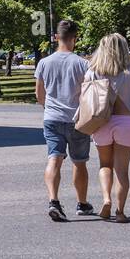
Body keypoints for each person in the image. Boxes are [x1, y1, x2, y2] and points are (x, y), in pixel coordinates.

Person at [85, 33, 130, 223]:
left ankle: (106, 199)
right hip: (126, 123)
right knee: (122, 171)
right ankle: (120, 212)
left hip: (102, 122)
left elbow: (85, 98)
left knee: (104, 165)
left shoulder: (93, 71)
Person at [34, 19, 92, 221]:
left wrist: (48, 107)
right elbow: (89, 94)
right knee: (79, 162)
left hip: (52, 118)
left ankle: (53, 201)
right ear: (75, 39)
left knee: (54, 158)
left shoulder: (44, 63)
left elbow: (39, 94)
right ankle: (82, 204)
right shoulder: (83, 64)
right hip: (77, 119)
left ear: (56, 38)